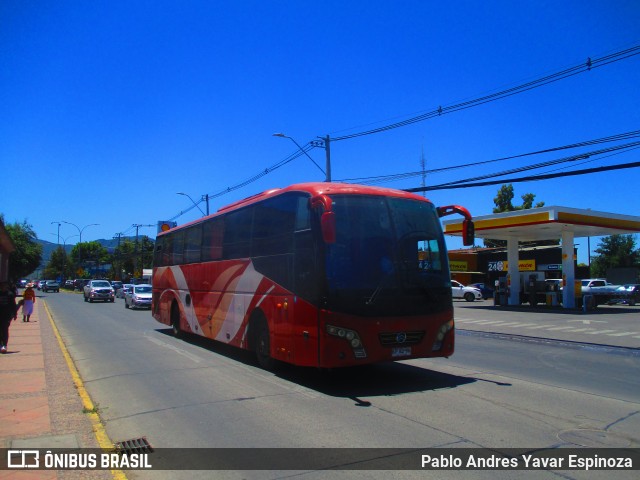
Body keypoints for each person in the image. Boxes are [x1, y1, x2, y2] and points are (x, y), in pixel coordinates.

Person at [0, 281, 18, 353]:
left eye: (4, 286)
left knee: (4, 330)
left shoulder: (10, 294)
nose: (2, 287)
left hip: (6, 316)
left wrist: (15, 314)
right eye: (1, 286)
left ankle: (4, 345)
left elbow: (13, 305)